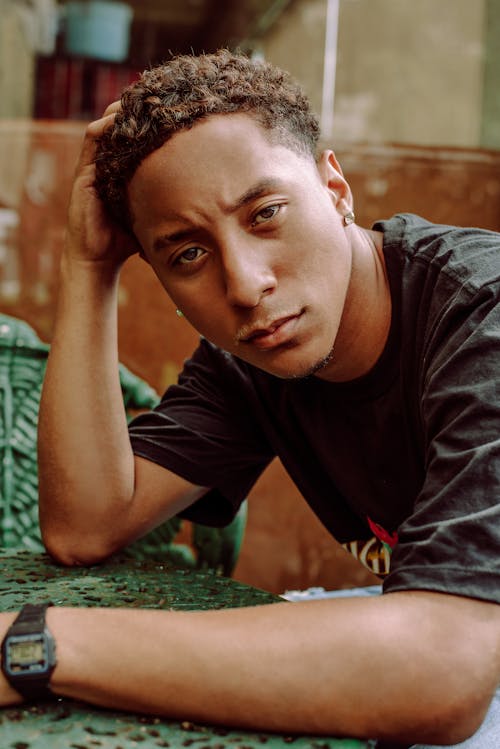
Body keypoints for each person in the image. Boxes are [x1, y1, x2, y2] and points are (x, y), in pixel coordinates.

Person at [1, 49, 498, 748]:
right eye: (187, 254)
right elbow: (86, 524)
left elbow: (444, 667)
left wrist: (35, 645)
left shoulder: (483, 317)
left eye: (265, 213)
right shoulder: (254, 360)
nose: (244, 283)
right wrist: (89, 268)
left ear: (335, 186)